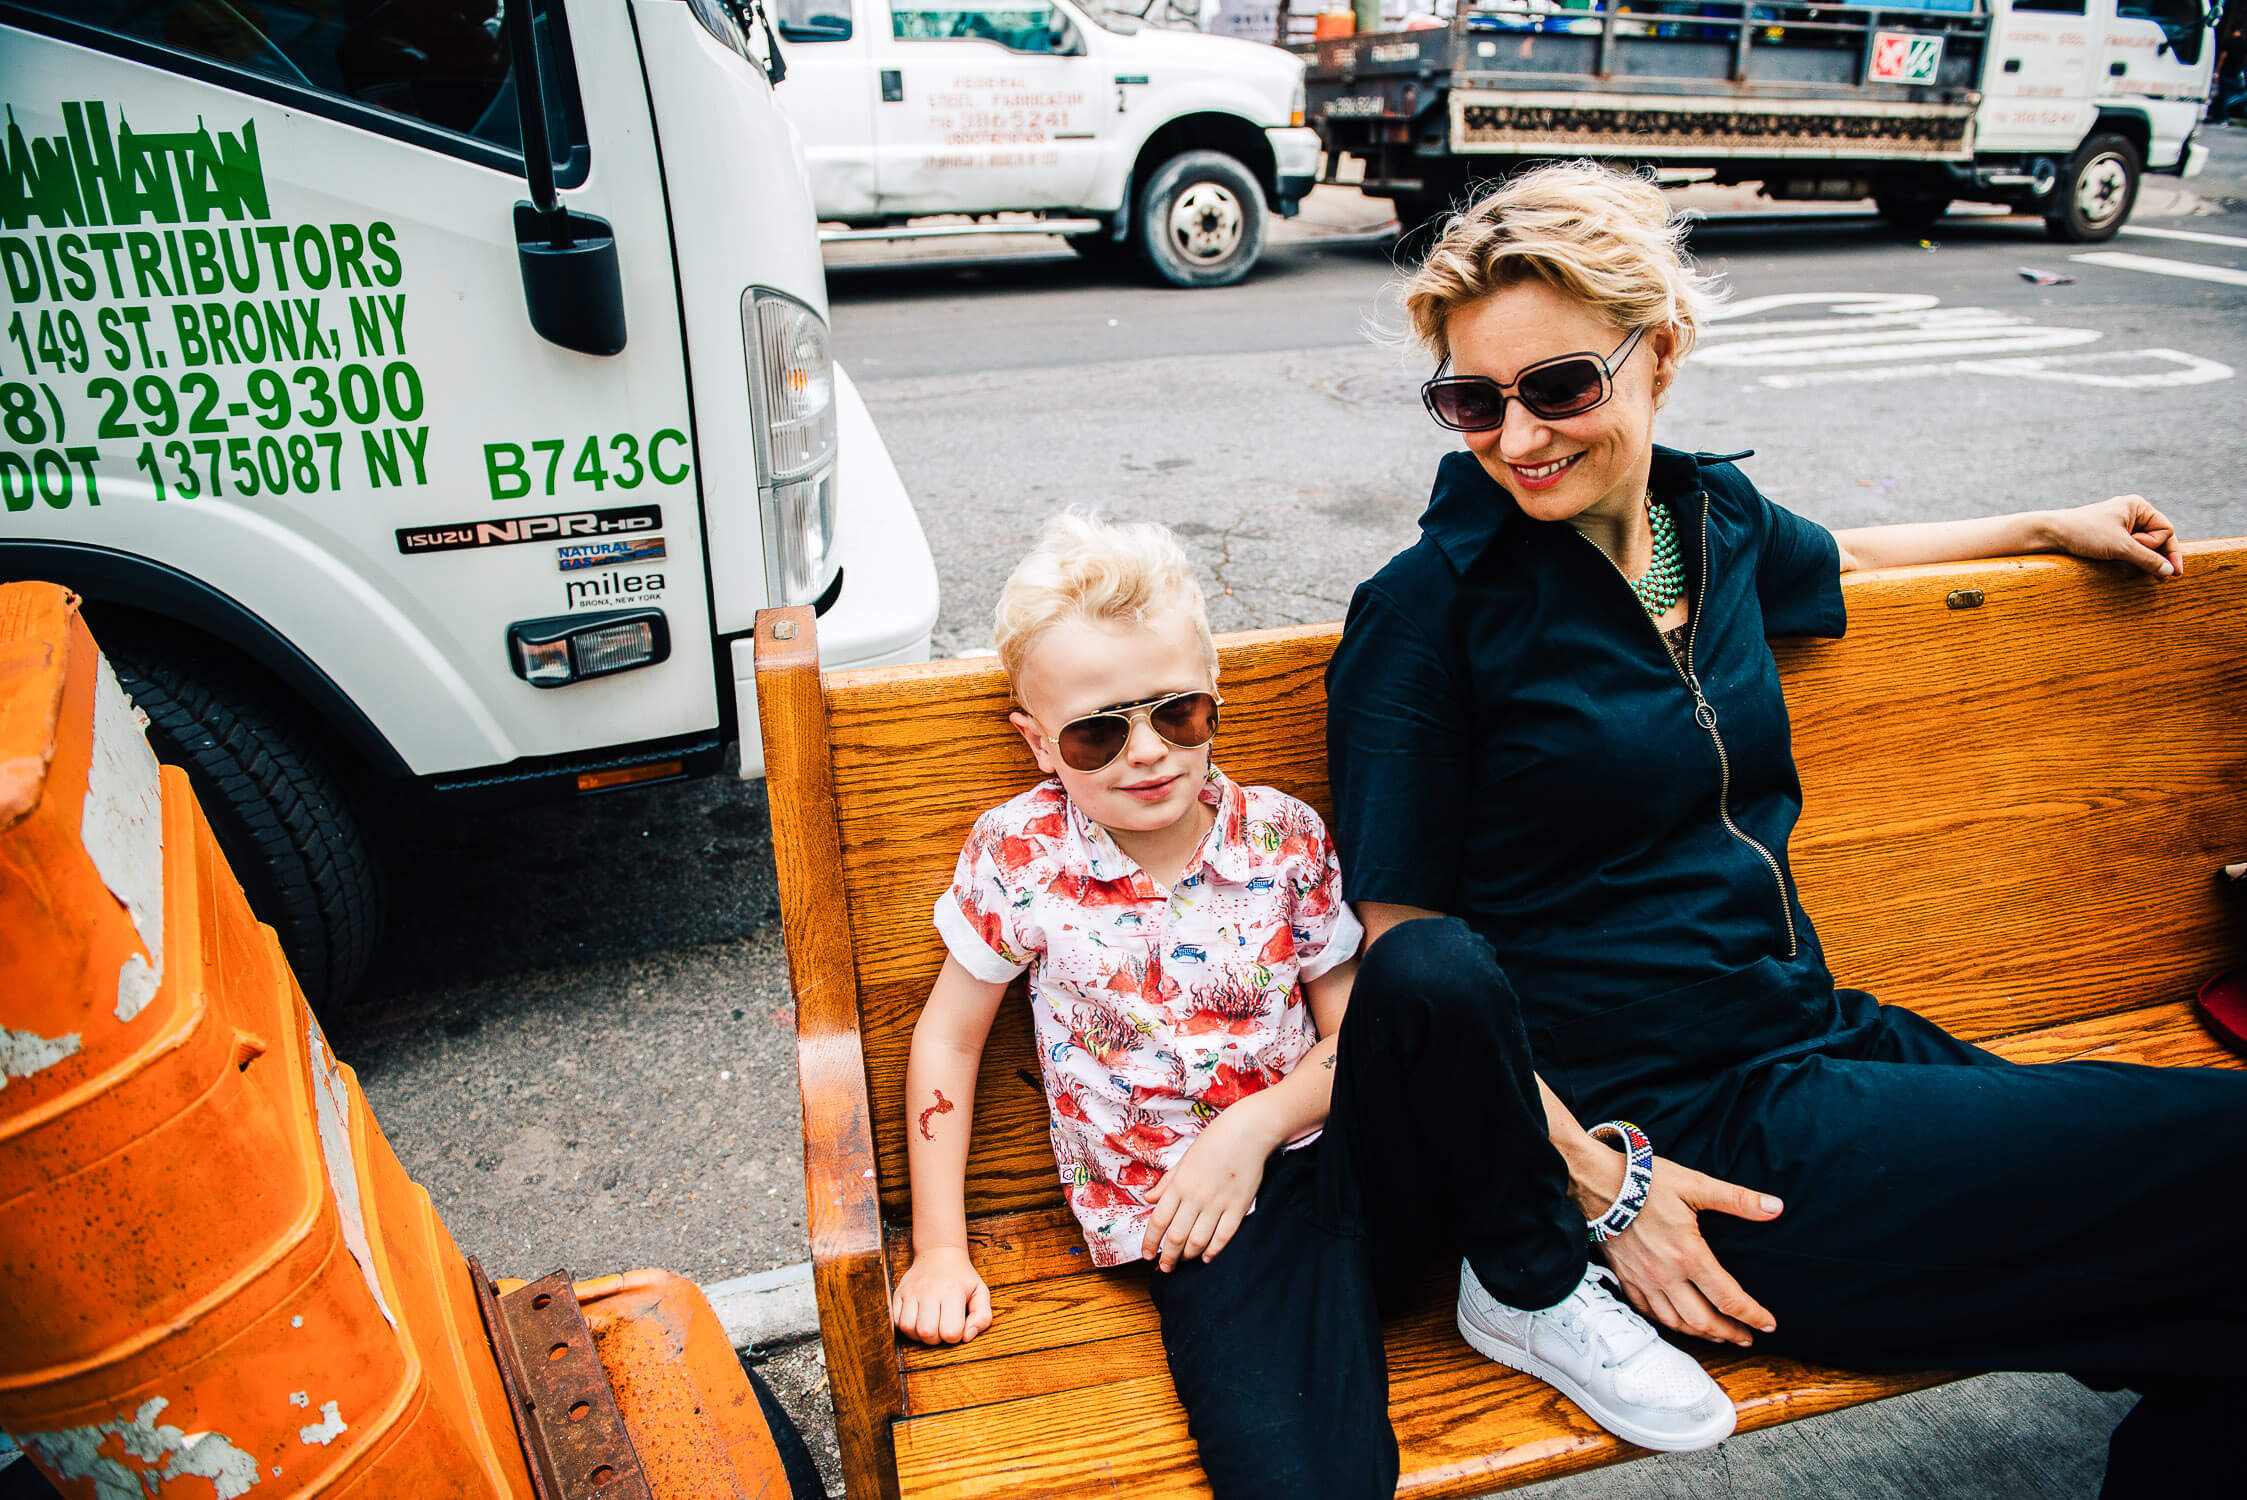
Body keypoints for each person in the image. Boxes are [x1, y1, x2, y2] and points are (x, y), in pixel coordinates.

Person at [1324, 158, 2241, 1498]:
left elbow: (1845, 560)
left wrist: (2049, 521)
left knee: (2202, 1265)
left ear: (1660, 358)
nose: (1516, 437)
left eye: (1559, 387)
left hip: (1815, 1039)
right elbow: (1399, 958)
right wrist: (1598, 1187)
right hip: (1680, 1142)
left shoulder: (1711, 524)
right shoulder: (1427, 615)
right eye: (1472, 401)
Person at [890, 512, 1736, 1498]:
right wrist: (940, 1249)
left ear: (1215, 700)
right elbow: (949, 1043)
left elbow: (1357, 1037)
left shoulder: (1281, 841)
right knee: (1295, 1470)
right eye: (1097, 731)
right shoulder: (1021, 858)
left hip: (1348, 1159)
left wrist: (1253, 1124)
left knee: (1428, 964)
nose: (1148, 752)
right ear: (1040, 744)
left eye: (1177, 714)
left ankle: (1532, 1286)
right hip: (1208, 1229)